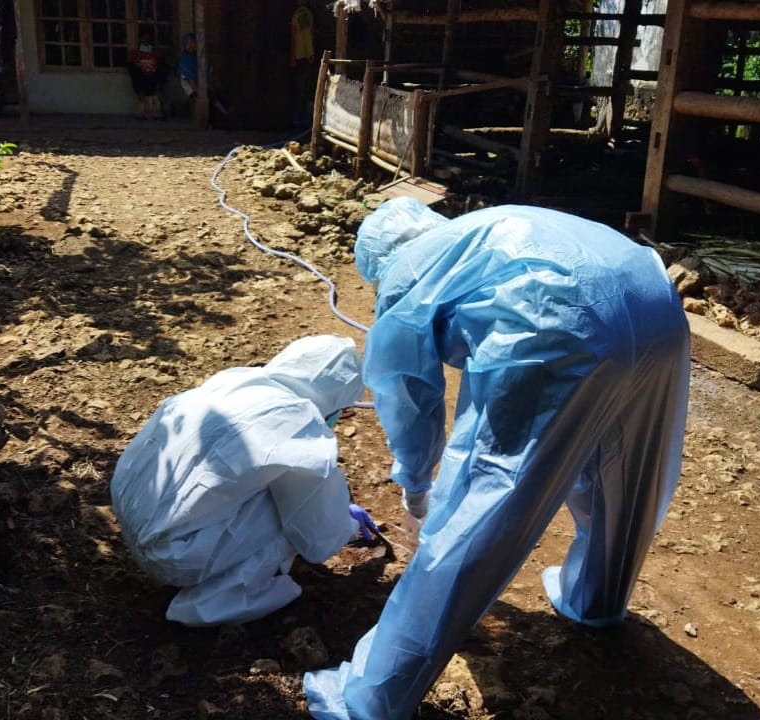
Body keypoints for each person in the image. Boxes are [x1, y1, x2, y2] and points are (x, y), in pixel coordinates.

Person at [304, 199, 690, 719]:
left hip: (555, 327)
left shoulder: (406, 271)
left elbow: (407, 393)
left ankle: (372, 697)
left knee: (474, 514)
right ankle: (596, 600)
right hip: (657, 310)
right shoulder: (476, 233)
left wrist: (417, 487)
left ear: (377, 261)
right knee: (621, 470)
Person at [110, 335, 378, 627]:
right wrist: (344, 521)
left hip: (128, 508)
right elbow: (316, 540)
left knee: (269, 485)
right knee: (289, 514)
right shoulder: (303, 425)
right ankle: (217, 602)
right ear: (337, 400)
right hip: (170, 557)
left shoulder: (237, 381)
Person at [127, 27, 168, 120]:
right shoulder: (134, 53)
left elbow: (163, 67)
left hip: (154, 78)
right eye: (144, 38)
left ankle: (156, 111)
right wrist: (137, 65)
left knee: (160, 77)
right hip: (141, 78)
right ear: (140, 39)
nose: (146, 41)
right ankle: (143, 111)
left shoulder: (157, 53)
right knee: (137, 77)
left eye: (148, 39)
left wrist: (155, 66)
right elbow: (131, 67)